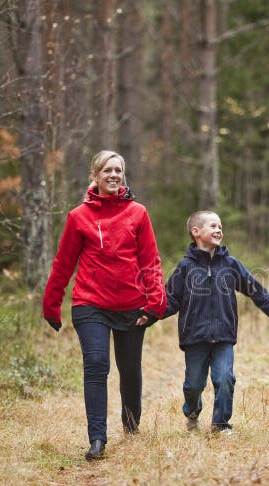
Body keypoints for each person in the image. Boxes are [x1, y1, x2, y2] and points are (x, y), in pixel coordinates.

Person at [43, 150, 167, 461]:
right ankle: (97, 438)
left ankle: (131, 424)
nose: (114, 175)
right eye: (107, 170)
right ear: (95, 176)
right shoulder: (78, 217)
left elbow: (150, 261)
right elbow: (63, 263)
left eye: (118, 170)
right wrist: (51, 304)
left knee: (129, 369)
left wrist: (155, 304)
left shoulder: (138, 213)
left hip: (131, 303)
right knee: (96, 365)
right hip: (90, 302)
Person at [163, 210, 269, 435]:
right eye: (213, 226)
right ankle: (192, 412)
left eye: (220, 226)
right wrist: (149, 315)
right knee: (193, 384)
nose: (219, 230)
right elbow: (170, 299)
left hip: (223, 335)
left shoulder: (230, 264)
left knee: (225, 378)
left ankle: (220, 425)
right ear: (196, 232)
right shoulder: (185, 267)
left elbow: (254, 289)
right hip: (194, 336)